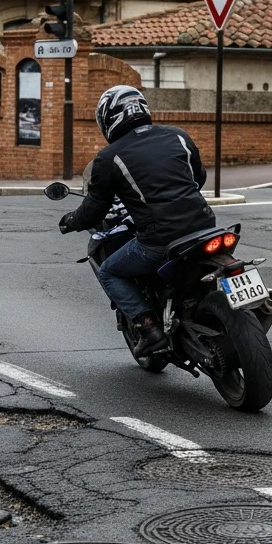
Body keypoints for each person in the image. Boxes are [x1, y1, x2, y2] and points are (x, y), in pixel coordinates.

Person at [58, 84, 216, 356]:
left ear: (108, 119)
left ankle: (149, 328)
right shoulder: (178, 136)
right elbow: (197, 178)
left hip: (159, 240)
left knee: (109, 270)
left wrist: (71, 220)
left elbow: (95, 209)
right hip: (205, 227)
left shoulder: (110, 157)